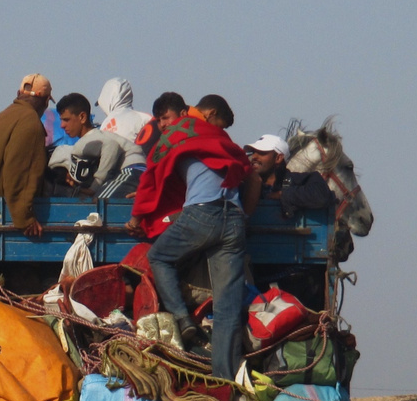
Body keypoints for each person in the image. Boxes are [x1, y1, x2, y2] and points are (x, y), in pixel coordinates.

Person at [130, 95, 260, 380]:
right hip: (234, 220)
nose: (163, 125)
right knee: (227, 309)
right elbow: (252, 176)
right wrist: (244, 219)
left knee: (159, 257)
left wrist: (137, 216)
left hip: (203, 215)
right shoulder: (221, 139)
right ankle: (224, 382)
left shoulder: (181, 131)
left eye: (166, 118)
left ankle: (182, 319)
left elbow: (153, 175)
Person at [0, 74, 53, 236]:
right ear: (46, 101)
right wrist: (25, 219)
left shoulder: (0, 118)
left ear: (18, 93)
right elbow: (20, 174)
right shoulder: (31, 122)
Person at [46, 91, 131, 194]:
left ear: (82, 117)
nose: (62, 125)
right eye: (61, 120)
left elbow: (112, 146)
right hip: (131, 172)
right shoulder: (95, 137)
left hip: (131, 170)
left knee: (100, 197)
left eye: (66, 120)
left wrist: (95, 186)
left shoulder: (90, 139)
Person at [244, 134, 337, 218]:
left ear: (278, 158)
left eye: (262, 153)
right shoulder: (244, 184)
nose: (254, 157)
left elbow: (321, 195)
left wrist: (282, 194)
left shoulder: (301, 180)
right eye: (253, 152)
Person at [132, 91, 189, 155]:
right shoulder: (155, 153)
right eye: (158, 121)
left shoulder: (197, 140)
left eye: (165, 118)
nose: (162, 124)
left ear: (183, 114)